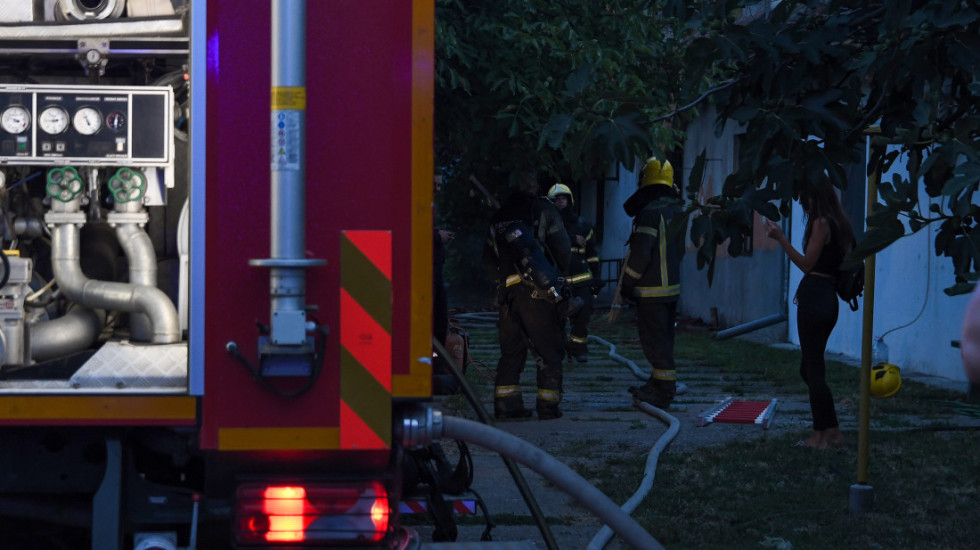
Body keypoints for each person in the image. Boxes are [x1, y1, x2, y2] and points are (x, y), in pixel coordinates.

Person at [764, 175, 853, 449]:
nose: (803, 206)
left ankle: (820, 435)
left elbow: (806, 264)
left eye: (805, 199)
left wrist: (780, 238)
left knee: (813, 369)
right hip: (828, 299)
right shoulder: (840, 224)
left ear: (815, 196)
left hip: (816, 299)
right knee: (809, 367)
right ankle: (833, 430)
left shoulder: (821, 223)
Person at [483, 175, 580, 420]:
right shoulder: (544, 210)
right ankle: (548, 406)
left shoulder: (499, 218)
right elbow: (563, 249)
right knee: (549, 350)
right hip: (540, 294)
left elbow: (488, 259)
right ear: (535, 187)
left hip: (508, 297)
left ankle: (507, 406)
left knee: (511, 352)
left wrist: (502, 283)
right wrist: (555, 275)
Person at [621, 158, 684, 409]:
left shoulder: (649, 213)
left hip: (650, 292)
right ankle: (657, 384)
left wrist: (627, 284)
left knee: (655, 343)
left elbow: (640, 255)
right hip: (671, 291)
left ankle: (664, 391)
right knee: (664, 340)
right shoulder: (677, 210)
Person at [547, 183, 602, 363]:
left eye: (563, 198)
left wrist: (596, 276)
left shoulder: (583, 225)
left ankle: (578, 348)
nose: (560, 202)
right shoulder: (547, 224)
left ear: (570, 200)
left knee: (583, 314)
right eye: (556, 200)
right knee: (554, 318)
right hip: (557, 280)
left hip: (581, 280)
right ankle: (556, 349)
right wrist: (571, 239)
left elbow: (592, 253)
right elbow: (546, 240)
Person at [432, 170, 458, 395]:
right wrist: (435, 237)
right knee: (433, 321)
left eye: (440, 185)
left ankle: (436, 364)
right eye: (435, 184)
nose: (438, 189)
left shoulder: (429, 206)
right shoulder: (417, 204)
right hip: (426, 274)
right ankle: (432, 366)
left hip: (434, 272)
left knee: (440, 322)